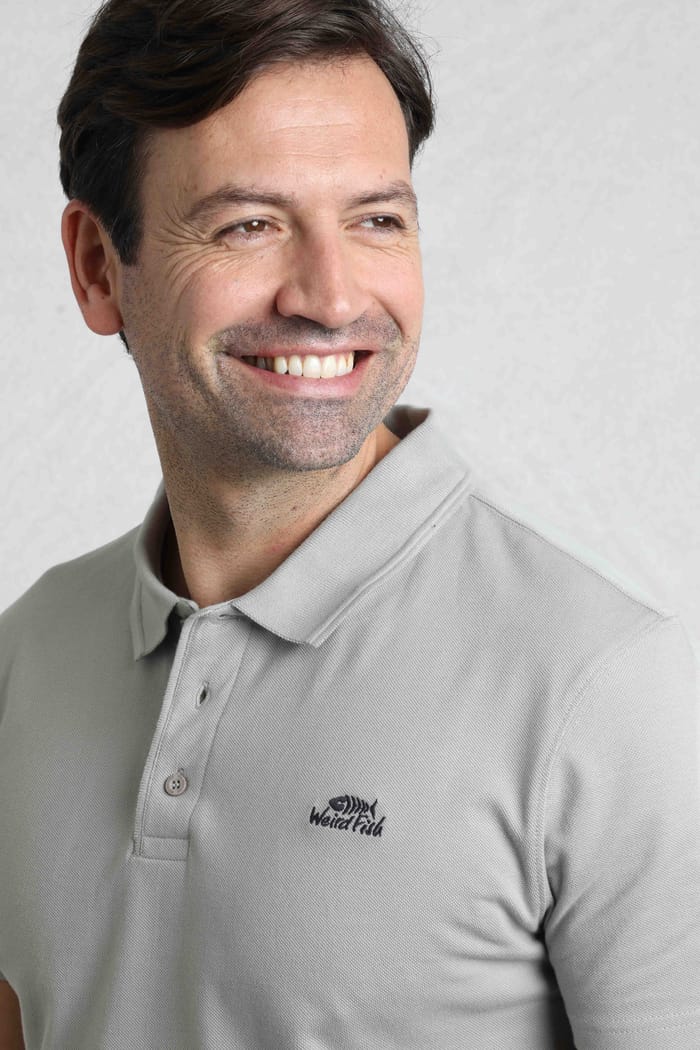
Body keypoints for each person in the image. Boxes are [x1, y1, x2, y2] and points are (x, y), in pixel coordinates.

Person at [1, 0, 698, 1046]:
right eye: (249, 224)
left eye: (376, 220)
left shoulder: (601, 688)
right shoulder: (26, 655)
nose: (331, 298)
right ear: (100, 266)